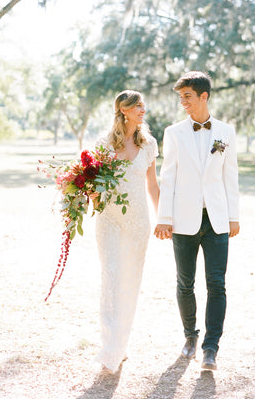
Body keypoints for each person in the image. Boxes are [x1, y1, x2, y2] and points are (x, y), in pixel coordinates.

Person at [154, 71, 240, 371]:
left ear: (204, 96)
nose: (183, 102)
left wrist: (233, 216)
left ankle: (211, 348)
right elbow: (169, 176)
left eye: (187, 96)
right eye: (180, 98)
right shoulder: (174, 132)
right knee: (185, 284)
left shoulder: (225, 133)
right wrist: (164, 217)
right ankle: (190, 337)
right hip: (182, 220)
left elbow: (230, 176)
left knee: (217, 285)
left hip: (216, 221)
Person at [95, 90, 159, 373]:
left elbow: (152, 186)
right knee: (111, 276)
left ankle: (121, 343)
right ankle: (110, 346)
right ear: (124, 110)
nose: (143, 109)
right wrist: (89, 195)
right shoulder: (105, 143)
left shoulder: (149, 145)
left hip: (138, 222)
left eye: (143, 105)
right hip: (108, 220)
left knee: (131, 279)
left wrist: (163, 218)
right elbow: (93, 183)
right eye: (137, 106)